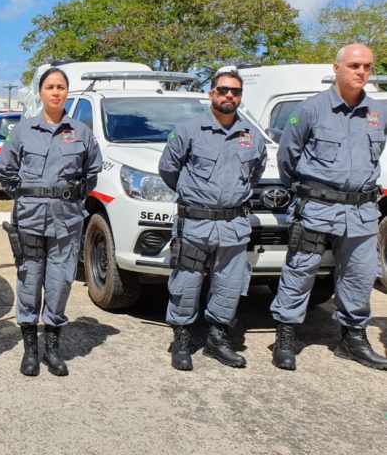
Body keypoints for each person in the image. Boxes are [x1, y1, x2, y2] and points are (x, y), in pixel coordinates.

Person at [270, 43, 387, 371]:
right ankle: (286, 335)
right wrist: (303, 192)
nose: (361, 72)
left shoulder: (379, 112)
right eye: (354, 65)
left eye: (367, 66)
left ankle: (352, 339)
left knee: (361, 275)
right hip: (317, 208)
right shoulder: (309, 109)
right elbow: (286, 157)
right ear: (336, 69)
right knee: (300, 271)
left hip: (362, 212)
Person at [158, 69, 267, 371]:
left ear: (240, 96)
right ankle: (181, 340)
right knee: (187, 283)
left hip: (234, 225)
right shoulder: (189, 129)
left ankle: (217, 340)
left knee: (230, 285)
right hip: (195, 223)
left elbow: (255, 174)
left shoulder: (252, 136)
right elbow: (168, 169)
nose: (228, 95)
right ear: (211, 94)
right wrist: (195, 196)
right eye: (222, 90)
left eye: (234, 91)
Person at [0, 67, 102, 377]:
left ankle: (52, 350)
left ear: (66, 93)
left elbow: (92, 172)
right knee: (29, 283)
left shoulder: (81, 132)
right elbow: (5, 169)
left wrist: (72, 197)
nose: (56, 92)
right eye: (50, 87)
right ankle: (30, 350)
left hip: (67, 222)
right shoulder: (24, 130)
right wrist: (28, 196)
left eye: (60, 87)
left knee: (60, 284)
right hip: (30, 221)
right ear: (41, 93)